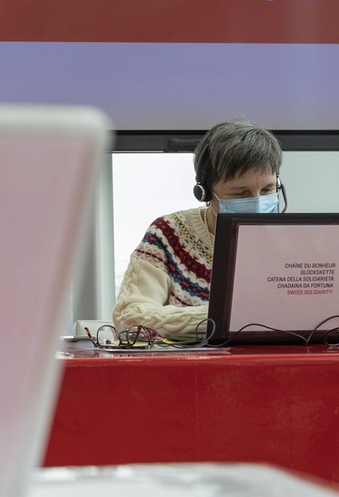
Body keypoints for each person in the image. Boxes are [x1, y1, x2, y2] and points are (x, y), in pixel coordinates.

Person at [112, 119, 284, 338]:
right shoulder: (167, 234)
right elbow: (129, 317)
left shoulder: (294, 240)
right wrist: (224, 319)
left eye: (267, 190)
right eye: (240, 194)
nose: (257, 203)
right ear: (204, 192)